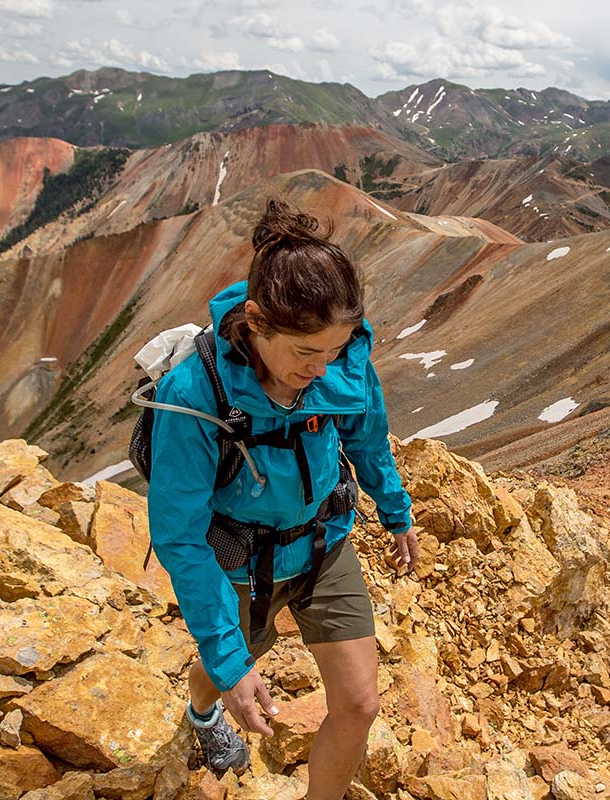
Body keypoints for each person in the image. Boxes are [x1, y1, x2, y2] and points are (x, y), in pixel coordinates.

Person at [145, 197, 419, 800]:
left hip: (324, 542)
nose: (323, 369)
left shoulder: (341, 363)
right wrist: (230, 660)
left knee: (360, 703)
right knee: (230, 664)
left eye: (335, 350)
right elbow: (178, 534)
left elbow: (368, 437)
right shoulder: (195, 393)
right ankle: (202, 713)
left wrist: (395, 509)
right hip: (241, 558)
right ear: (257, 322)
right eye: (306, 353)